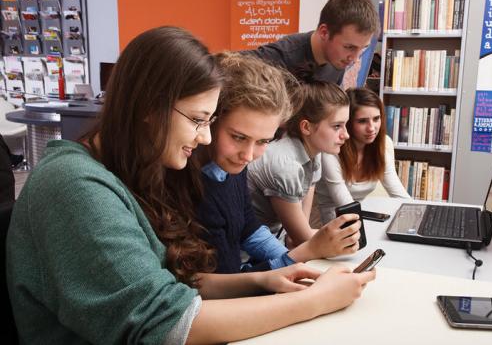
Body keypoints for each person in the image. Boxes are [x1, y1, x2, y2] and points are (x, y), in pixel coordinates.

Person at [5, 27, 375, 345]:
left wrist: (265, 279)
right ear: (150, 107)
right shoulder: (75, 187)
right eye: (199, 120)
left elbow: (171, 284)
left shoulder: (122, 174)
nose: (205, 138)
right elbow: (168, 323)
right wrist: (316, 301)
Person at [195, 52, 362, 274]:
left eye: (263, 141)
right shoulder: (199, 186)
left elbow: (249, 228)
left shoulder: (234, 166)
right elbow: (228, 281)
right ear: (211, 121)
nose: (248, 155)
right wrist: (302, 256)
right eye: (238, 137)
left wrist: (292, 260)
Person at [247, 69, 352, 248]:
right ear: (306, 127)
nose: (346, 135)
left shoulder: (314, 156)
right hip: (250, 258)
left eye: (345, 125)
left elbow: (297, 234)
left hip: (275, 243)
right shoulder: (286, 166)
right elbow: (303, 239)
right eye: (337, 126)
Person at [315, 87, 410, 225]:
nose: (371, 128)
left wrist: (421, 215)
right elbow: (346, 205)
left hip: (361, 219)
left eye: (376, 119)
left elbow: (400, 196)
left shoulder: (380, 149)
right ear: (347, 122)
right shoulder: (330, 151)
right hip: (329, 223)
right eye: (362, 121)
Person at [246, 0, 378, 85]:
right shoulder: (281, 55)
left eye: (363, 48)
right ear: (324, 32)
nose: (355, 59)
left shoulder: (339, 61)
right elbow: (226, 62)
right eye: (349, 47)